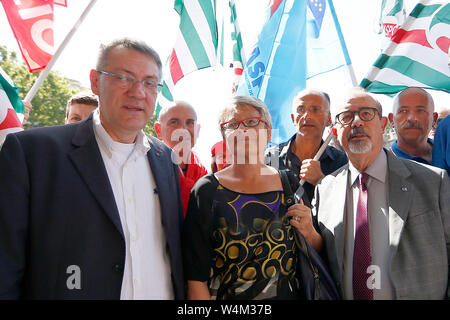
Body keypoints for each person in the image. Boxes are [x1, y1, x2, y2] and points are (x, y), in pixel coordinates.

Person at [0, 38, 184, 299]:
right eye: (124, 77)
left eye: (150, 83)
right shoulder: (32, 153)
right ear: (95, 81)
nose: (138, 92)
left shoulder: (165, 158)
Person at [312, 88, 450, 300]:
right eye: (346, 117)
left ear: (383, 124)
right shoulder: (325, 190)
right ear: (335, 130)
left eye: (366, 114)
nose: (356, 122)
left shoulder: (434, 182)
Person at [183, 96, 322, 300]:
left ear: (267, 132)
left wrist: (309, 230)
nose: (243, 130)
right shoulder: (206, 191)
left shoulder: (290, 184)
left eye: (252, 122)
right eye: (233, 124)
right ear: (224, 136)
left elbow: (317, 250)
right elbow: (196, 278)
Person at [265, 89, 347, 203]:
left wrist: (320, 180)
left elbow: (345, 206)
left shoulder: (341, 162)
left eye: (315, 109)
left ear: (329, 119)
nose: (307, 116)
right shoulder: (269, 158)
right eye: (301, 109)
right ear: (293, 119)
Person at [154, 100, 207, 216]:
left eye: (190, 123)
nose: (183, 129)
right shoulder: (147, 166)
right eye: (174, 122)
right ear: (158, 130)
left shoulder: (205, 175)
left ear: (197, 131)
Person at [388, 87, 437, 164]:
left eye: (420, 111)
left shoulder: (445, 152)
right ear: (391, 120)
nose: (412, 118)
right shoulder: (384, 166)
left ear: (434, 119)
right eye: (403, 111)